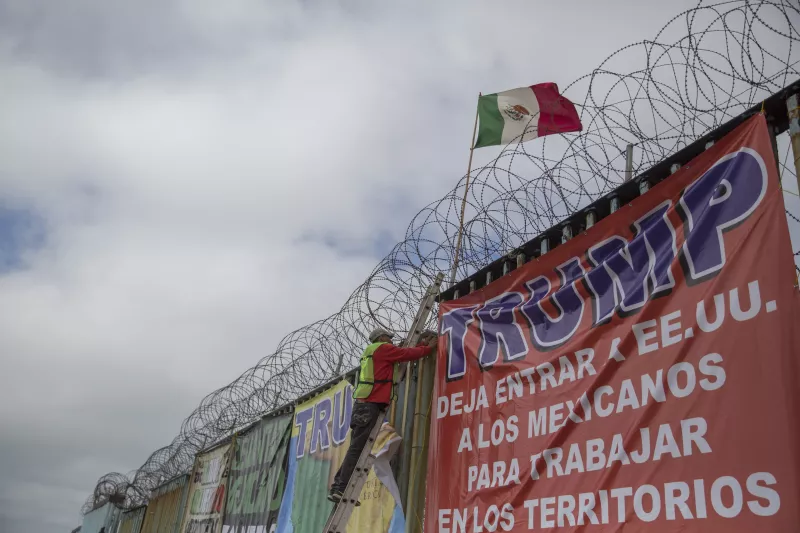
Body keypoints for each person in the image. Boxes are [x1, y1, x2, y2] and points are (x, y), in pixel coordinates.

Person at [328, 327, 438, 503]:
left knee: (356, 448)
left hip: (363, 405)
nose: (392, 341)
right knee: (357, 450)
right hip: (369, 406)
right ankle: (341, 488)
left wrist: (417, 344)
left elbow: (397, 358)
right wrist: (428, 348)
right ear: (382, 338)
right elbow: (408, 354)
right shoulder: (383, 349)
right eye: (390, 338)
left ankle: (337, 487)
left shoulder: (372, 352)